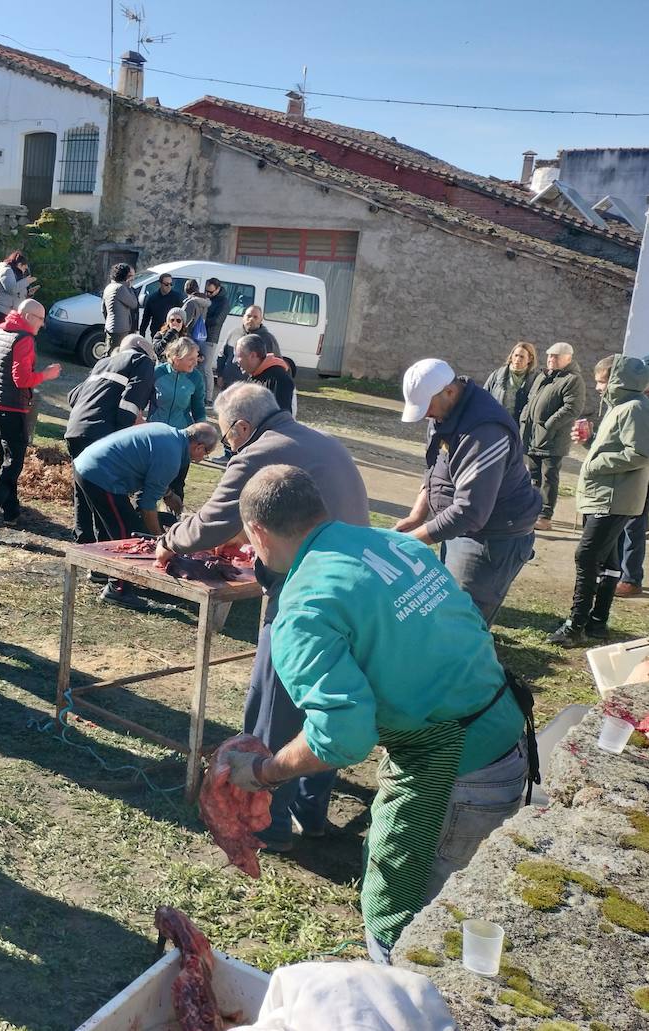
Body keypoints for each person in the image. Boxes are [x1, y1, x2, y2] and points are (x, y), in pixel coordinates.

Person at [222, 464, 531, 964]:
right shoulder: (397, 545)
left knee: (414, 936)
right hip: (507, 734)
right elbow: (465, 623)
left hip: (454, 771)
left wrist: (264, 772)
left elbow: (342, 736)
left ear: (256, 532)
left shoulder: (301, 609)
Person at [156, 383, 369, 849]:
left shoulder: (257, 452)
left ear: (241, 426)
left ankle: (267, 825)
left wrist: (170, 539)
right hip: (355, 590)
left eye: (229, 437)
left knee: (273, 711)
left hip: (306, 596)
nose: (228, 446)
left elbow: (212, 521)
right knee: (324, 706)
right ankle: (311, 813)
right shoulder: (321, 441)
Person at [395, 359, 541, 625]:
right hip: (460, 529)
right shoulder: (445, 412)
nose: (426, 414)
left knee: (462, 621)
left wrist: (408, 543)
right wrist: (418, 514)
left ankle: (467, 665)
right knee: (445, 606)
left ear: (450, 391)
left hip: (490, 536)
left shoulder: (483, 431)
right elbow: (436, 467)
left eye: (427, 406)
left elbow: (470, 511)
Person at [549, 354, 649, 645]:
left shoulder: (633, 408)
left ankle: (575, 626)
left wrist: (596, 464)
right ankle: (596, 622)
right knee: (607, 560)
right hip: (608, 495)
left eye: (601, 381)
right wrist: (590, 443)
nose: (597, 387)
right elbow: (617, 448)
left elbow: (640, 453)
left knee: (587, 556)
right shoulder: (621, 408)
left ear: (618, 381)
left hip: (613, 497)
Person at [73, 420, 217, 608]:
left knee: (107, 525)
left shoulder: (168, 434)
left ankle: (101, 570)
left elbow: (149, 471)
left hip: (87, 464)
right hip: (102, 475)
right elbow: (146, 504)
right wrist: (162, 541)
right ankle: (118, 589)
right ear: (198, 446)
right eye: (205, 453)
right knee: (126, 534)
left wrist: (169, 494)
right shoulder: (172, 456)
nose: (202, 458)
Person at [0, 299, 61, 542]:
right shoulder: (24, 339)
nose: (42, 325)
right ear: (29, 317)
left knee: (5, 460)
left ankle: (11, 511)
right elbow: (21, 379)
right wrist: (46, 375)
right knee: (13, 462)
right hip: (11, 408)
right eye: (41, 319)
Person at [63, 334, 159, 544]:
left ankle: (83, 544)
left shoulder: (103, 364)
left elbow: (73, 397)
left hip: (75, 430)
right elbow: (129, 406)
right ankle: (103, 551)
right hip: (102, 436)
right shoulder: (140, 361)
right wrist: (125, 438)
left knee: (83, 490)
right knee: (105, 495)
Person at [521, 341, 586, 531]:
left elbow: (572, 408)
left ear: (568, 358)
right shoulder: (543, 376)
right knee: (533, 476)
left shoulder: (573, 380)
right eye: (549, 355)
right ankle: (532, 511)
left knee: (549, 477)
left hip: (552, 438)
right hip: (533, 436)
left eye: (556, 356)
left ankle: (545, 516)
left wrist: (548, 425)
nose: (551, 359)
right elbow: (531, 400)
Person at [150, 338, 208, 505]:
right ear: (176, 357)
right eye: (191, 358)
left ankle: (173, 524)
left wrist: (201, 435)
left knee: (176, 485)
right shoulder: (157, 372)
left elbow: (198, 408)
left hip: (181, 437)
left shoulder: (196, 378)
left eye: (196, 357)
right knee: (151, 480)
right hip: (156, 434)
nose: (195, 362)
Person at [235, 334, 295, 416]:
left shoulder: (279, 379)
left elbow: (282, 419)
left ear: (253, 355)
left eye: (239, 356)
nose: (235, 361)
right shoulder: (254, 374)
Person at [483, 341, 537, 424]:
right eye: (516, 355)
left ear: (530, 359)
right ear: (511, 356)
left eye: (522, 357)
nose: (517, 359)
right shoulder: (497, 375)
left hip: (519, 427)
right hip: (496, 423)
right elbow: (484, 397)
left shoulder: (535, 380)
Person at [0, 251, 36, 325]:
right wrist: (26, 281)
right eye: (24, 268)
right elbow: (12, 289)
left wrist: (28, 294)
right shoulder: (6, 271)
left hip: (8, 312)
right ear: (19, 264)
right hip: (1, 311)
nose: (24, 271)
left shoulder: (15, 275)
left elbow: (17, 295)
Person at [101, 264, 139, 357]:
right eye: (130, 276)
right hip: (120, 329)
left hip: (111, 327)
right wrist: (129, 287)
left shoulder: (109, 287)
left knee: (109, 352)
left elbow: (103, 309)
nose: (131, 278)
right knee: (115, 355)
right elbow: (134, 304)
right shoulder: (121, 288)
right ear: (125, 276)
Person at [138, 272, 183, 337]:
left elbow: (181, 317)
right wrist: (142, 333)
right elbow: (146, 318)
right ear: (160, 284)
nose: (169, 286)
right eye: (166, 284)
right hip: (156, 333)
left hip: (172, 333)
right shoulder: (152, 298)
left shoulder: (177, 297)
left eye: (171, 284)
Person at [202, 277, 228, 352]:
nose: (207, 294)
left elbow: (217, 321)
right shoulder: (208, 298)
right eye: (206, 291)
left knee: (205, 363)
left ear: (218, 289)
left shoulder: (223, 302)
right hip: (200, 335)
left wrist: (203, 320)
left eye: (210, 292)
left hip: (210, 338)